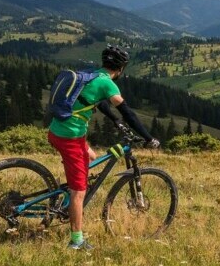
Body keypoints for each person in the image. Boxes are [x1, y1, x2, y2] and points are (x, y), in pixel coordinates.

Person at [47, 44, 160, 250]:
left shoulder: (93, 75)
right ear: (121, 69)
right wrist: (148, 137)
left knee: (92, 157)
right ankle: (76, 241)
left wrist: (115, 121)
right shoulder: (108, 83)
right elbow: (128, 113)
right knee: (79, 190)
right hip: (69, 137)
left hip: (59, 131)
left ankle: (65, 199)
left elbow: (97, 102)